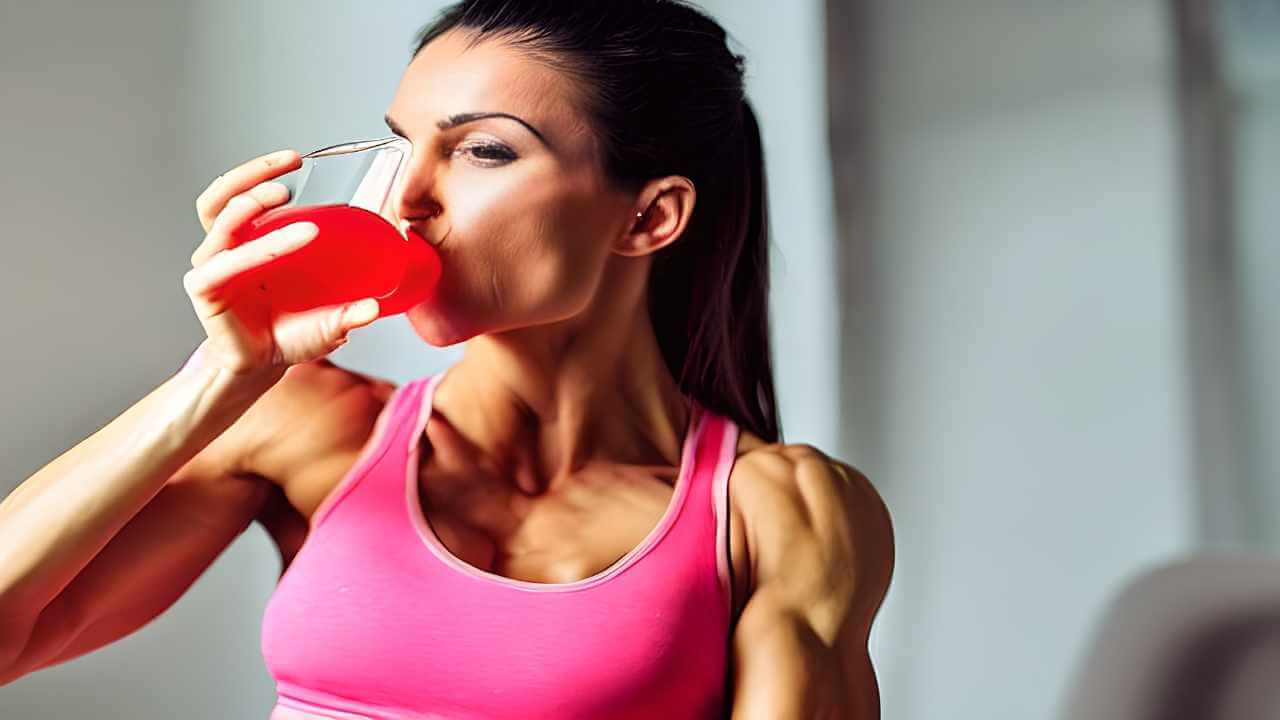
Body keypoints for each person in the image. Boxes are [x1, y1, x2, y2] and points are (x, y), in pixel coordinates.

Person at [0, 1, 894, 717]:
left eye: (482, 150)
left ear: (648, 216)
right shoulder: (313, 427)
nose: (408, 197)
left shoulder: (782, 515)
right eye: (402, 145)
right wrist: (217, 379)